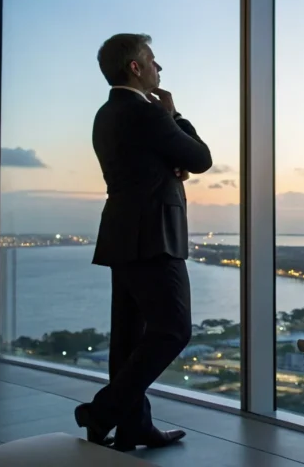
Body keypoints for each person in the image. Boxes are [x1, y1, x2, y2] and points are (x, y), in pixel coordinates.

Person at [74, 33, 212, 452]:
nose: (159, 68)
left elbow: (148, 164)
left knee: (129, 340)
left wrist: (170, 161)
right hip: (154, 237)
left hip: (120, 235)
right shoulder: (148, 113)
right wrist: (175, 114)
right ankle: (102, 411)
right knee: (173, 329)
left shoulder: (105, 114)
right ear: (135, 67)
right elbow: (201, 159)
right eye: (152, 60)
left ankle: (134, 428)